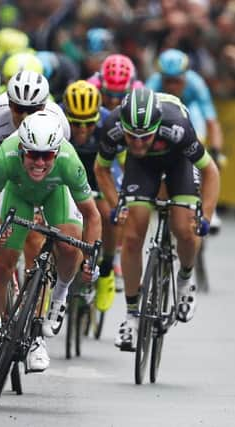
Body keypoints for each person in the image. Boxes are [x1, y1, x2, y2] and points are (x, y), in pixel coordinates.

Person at [0, 111, 101, 380]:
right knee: (2, 266)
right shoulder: (6, 155)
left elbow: (92, 214)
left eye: (46, 155)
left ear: (56, 152)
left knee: (69, 246)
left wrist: (90, 260)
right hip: (18, 194)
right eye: (33, 155)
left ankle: (58, 298)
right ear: (22, 149)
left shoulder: (68, 160)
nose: (39, 162)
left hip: (55, 193)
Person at [94, 87, 220, 351]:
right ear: (123, 127)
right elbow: (101, 169)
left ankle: (185, 280)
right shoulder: (112, 125)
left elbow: (210, 171)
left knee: (183, 228)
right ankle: (131, 316)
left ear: (157, 127)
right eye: (132, 137)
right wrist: (116, 204)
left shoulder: (178, 127)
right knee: (131, 234)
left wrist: (205, 216)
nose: (137, 144)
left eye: (145, 137)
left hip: (178, 163)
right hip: (142, 168)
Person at [0, 71, 70, 308]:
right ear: (9, 103)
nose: (24, 116)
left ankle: (33, 308)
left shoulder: (57, 122)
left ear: (44, 106)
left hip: (37, 169)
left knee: (34, 237)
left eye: (32, 110)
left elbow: (61, 169)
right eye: (18, 108)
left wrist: (45, 212)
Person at [62, 80, 117, 312]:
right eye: (75, 123)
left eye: (88, 124)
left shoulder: (109, 123)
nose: (82, 130)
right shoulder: (54, 118)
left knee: (108, 213)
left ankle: (106, 269)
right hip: (64, 169)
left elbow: (119, 165)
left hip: (97, 171)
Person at [146, 49, 224, 169]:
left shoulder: (196, 84)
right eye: (168, 81)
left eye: (176, 81)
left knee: (195, 110)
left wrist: (215, 151)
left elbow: (211, 121)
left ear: (185, 75)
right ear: (160, 77)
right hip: (162, 116)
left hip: (190, 113)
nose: (172, 87)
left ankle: (195, 148)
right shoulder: (152, 84)